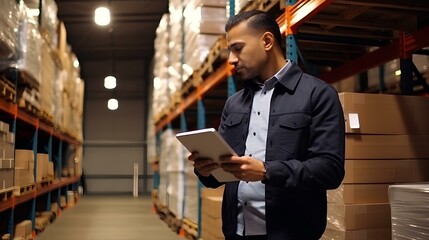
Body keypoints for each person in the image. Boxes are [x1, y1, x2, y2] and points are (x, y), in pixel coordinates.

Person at [188, 10, 345, 240]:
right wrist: (205, 171)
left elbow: (330, 170)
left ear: (267, 41)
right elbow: (221, 174)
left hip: (290, 234)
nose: (231, 60)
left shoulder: (318, 95)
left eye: (237, 48)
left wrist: (266, 171)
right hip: (237, 232)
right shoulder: (234, 103)